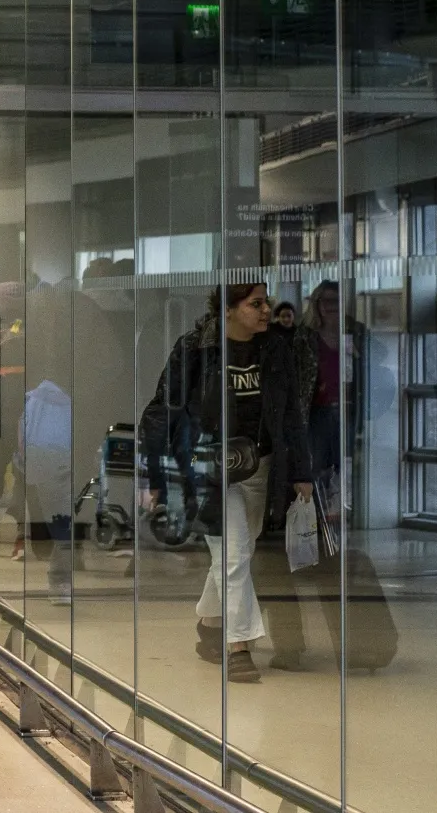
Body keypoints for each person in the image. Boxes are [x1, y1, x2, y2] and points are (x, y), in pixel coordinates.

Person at [140, 283, 312, 683]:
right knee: (233, 556)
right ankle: (239, 648)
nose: (266, 309)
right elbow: (163, 409)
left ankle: (211, 621)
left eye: (266, 302)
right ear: (229, 309)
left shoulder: (275, 350)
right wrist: (155, 475)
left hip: (261, 466)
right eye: (256, 303)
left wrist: (301, 472)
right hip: (208, 468)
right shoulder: (197, 349)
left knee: (238, 552)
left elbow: (291, 414)